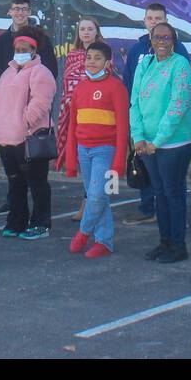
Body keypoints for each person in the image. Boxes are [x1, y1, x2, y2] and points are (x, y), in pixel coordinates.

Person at [130, 22, 191, 263]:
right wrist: (138, 137)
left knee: (173, 192)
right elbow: (134, 102)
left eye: (167, 37)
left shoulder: (180, 65)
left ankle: (178, 245)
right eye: (157, 37)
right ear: (150, 39)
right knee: (159, 192)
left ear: (174, 40)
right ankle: (164, 241)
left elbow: (177, 106)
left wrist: (156, 141)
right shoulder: (144, 65)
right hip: (147, 143)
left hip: (174, 143)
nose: (161, 41)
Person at [0, 0, 58, 214]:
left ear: (29, 12)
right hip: (7, 120)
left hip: (28, 125)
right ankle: (15, 207)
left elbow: (49, 78)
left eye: (24, 9)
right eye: (16, 9)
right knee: (14, 175)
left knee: (35, 176)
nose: (19, 13)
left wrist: (25, 117)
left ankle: (39, 218)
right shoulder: (1, 42)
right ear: (9, 11)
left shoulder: (42, 41)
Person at [121, 3, 189, 226]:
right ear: (145, 23)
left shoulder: (179, 56)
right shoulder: (139, 54)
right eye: (150, 18)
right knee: (151, 180)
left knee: (172, 187)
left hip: (171, 137)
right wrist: (138, 133)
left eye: (158, 17)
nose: (154, 21)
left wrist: (158, 139)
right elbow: (133, 94)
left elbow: (178, 99)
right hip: (145, 133)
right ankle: (148, 211)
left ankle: (176, 227)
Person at [64, 40, 129, 258]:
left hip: (105, 151)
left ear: (108, 63)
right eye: (89, 58)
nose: (92, 62)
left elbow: (122, 127)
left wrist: (119, 161)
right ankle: (104, 241)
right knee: (101, 198)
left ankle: (84, 231)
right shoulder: (80, 87)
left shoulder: (116, 87)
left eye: (97, 58)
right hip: (84, 150)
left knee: (96, 196)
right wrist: (71, 160)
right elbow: (73, 125)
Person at [57, 15, 117, 218]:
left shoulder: (104, 54)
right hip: (77, 112)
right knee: (85, 163)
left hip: (100, 114)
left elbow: (108, 79)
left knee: (100, 167)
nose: (86, 32)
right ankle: (89, 201)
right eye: (82, 29)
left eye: (90, 29)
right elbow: (68, 83)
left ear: (96, 32)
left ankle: (91, 206)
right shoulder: (73, 55)